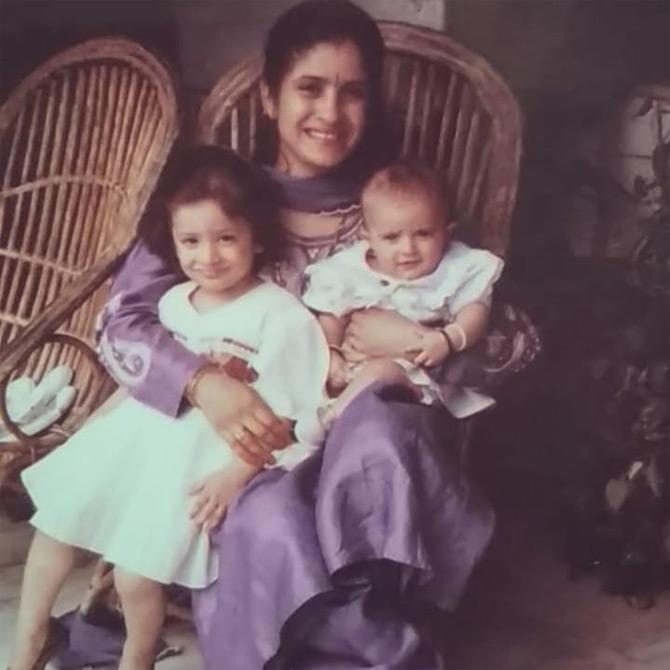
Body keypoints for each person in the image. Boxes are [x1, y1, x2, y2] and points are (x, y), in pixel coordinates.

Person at [81, 1, 500, 668]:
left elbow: (513, 340)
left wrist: (423, 341)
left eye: (352, 91)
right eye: (310, 87)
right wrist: (201, 381)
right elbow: (119, 324)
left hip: (371, 440)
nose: (331, 113)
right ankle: (383, 649)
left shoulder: (398, 206)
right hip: (263, 449)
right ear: (271, 97)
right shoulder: (220, 202)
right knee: (262, 520)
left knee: (379, 437)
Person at [8, 146, 329, 670]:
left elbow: (292, 413)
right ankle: (28, 642)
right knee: (58, 521)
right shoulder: (173, 303)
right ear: (172, 243)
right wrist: (96, 427)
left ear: (257, 237)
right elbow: (142, 380)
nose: (208, 257)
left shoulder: (280, 314)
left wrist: (236, 475)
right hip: (141, 437)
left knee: (137, 575)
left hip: (197, 457)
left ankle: (136, 657)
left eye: (226, 238)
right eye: (191, 241)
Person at [301, 160, 504, 436]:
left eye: (423, 234)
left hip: (410, 384)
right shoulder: (348, 272)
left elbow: (475, 311)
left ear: (447, 231)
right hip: (348, 373)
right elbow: (331, 316)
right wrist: (332, 353)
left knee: (383, 371)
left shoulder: (455, 268)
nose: (408, 249)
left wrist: (448, 338)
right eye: (391, 237)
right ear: (367, 236)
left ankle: (330, 422)